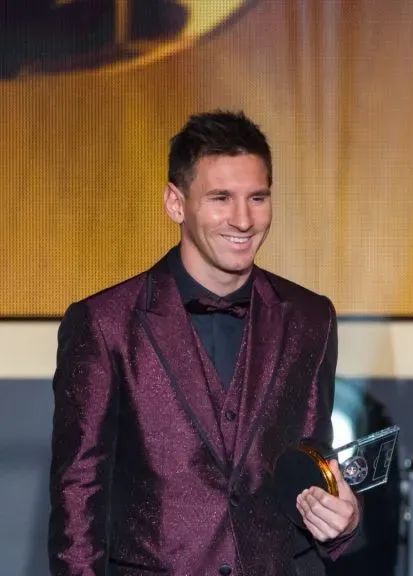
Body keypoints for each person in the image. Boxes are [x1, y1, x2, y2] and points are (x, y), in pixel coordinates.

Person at [49, 110, 360, 575]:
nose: (243, 219)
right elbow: (79, 495)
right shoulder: (104, 324)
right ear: (176, 203)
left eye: (257, 198)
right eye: (221, 198)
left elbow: (311, 463)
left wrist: (343, 519)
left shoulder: (310, 318)